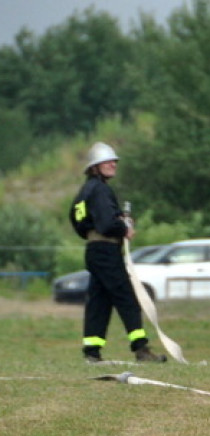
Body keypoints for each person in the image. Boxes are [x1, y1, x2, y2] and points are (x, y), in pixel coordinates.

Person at [69, 142, 165, 363]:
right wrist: (124, 227)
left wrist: (108, 224)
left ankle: (91, 352)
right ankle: (141, 349)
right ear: (95, 167)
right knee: (126, 298)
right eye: (108, 161)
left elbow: (77, 219)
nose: (113, 164)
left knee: (99, 303)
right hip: (106, 251)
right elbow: (106, 224)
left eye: (114, 161)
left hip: (94, 250)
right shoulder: (101, 190)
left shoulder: (85, 191)